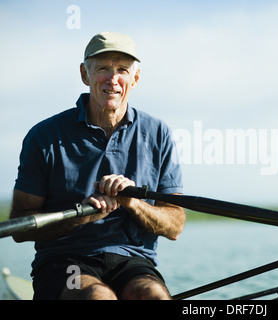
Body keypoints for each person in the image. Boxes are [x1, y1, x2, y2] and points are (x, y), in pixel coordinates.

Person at [10, 32, 185, 300]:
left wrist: (132, 203)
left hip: (133, 261)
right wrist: (84, 215)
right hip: (64, 260)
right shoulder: (44, 136)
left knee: (153, 296)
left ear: (135, 78)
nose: (112, 79)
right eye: (103, 68)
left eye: (122, 70)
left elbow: (175, 225)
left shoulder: (158, 132)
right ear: (85, 74)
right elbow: (20, 226)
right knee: (97, 297)